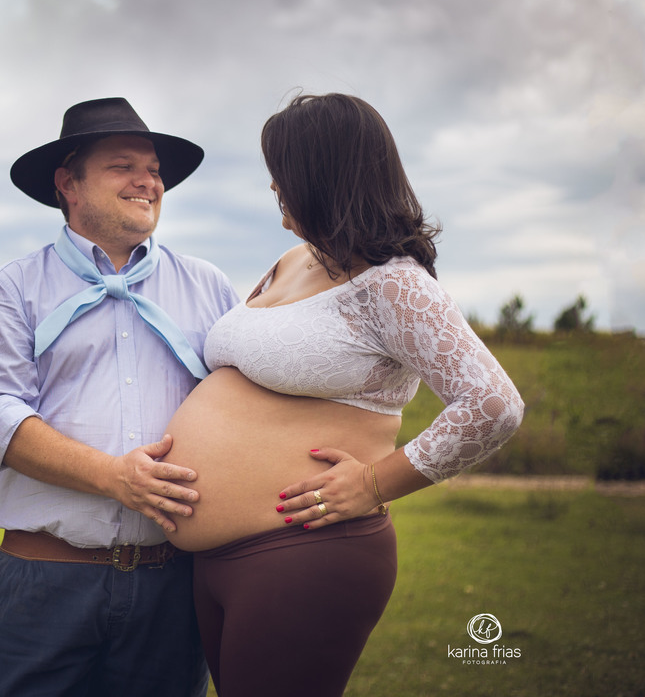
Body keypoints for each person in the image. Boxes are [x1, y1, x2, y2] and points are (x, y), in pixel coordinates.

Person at [159, 93, 525, 696]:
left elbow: (492, 404)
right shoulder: (292, 260)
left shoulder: (394, 285)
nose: (274, 188)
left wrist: (375, 484)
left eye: (283, 173)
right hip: (218, 561)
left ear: (324, 176)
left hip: (303, 551)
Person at [0, 97, 240, 697]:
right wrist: (114, 477)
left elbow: (242, 407)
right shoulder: (14, 286)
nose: (148, 182)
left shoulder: (209, 286)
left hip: (174, 586)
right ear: (68, 184)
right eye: (122, 166)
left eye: (154, 170)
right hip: (45, 582)